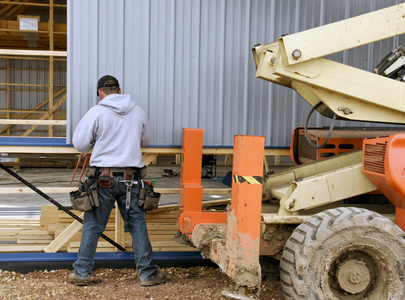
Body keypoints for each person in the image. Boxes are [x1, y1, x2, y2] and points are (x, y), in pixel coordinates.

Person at [67, 75, 166, 287]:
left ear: (99, 93)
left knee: (93, 225)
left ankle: (81, 273)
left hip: (104, 178)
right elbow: (144, 141)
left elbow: (81, 144)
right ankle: (148, 275)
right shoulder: (137, 111)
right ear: (119, 90)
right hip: (132, 178)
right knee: (138, 224)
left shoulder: (97, 112)